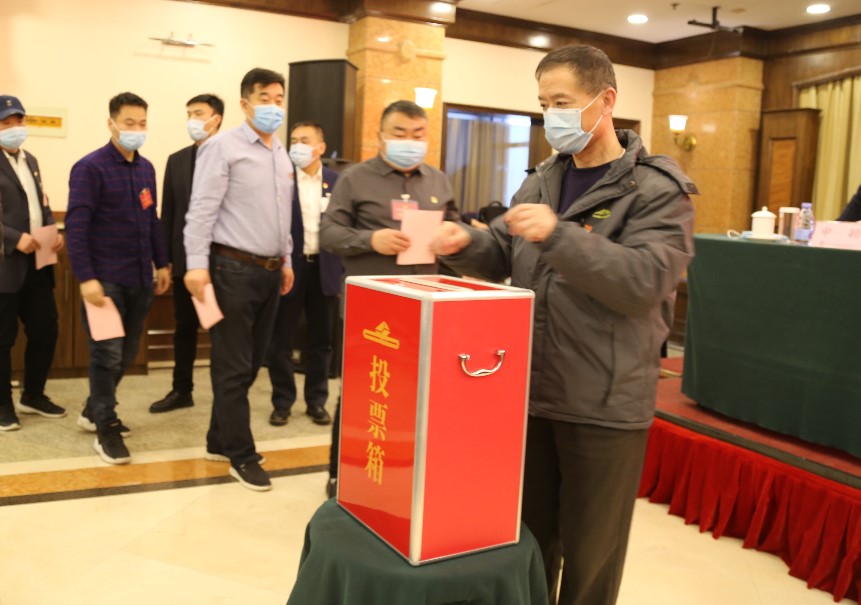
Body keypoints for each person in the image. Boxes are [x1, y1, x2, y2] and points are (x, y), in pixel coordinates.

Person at [430, 44, 696, 605]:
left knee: (590, 558)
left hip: (604, 402)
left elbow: (644, 281)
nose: (551, 115)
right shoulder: (543, 179)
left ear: (606, 100)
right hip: (532, 394)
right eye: (544, 103)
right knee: (529, 545)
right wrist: (464, 244)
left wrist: (557, 234)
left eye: (562, 102)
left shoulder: (655, 190)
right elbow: (504, 252)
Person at [319, 99, 455, 498]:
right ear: (381, 135)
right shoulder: (355, 179)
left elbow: (455, 227)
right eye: (400, 133)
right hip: (371, 312)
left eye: (418, 134)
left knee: (412, 395)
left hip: (424, 309)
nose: (409, 141)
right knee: (361, 393)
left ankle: (398, 470)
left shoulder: (438, 181)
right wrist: (370, 239)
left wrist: (456, 237)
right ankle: (341, 473)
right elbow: (328, 233)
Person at [184, 67, 294, 492]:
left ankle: (219, 439)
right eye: (265, 98)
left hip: (270, 271)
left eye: (279, 99)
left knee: (249, 365)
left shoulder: (280, 152)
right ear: (246, 104)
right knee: (232, 367)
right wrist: (196, 265)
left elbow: (281, 214)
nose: (273, 106)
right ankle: (240, 455)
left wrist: (286, 259)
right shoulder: (222, 146)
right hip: (231, 269)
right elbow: (201, 209)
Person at [66, 92, 171, 464]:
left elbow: (151, 220)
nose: (136, 129)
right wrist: (86, 277)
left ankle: (92, 410)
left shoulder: (146, 169)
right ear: (111, 123)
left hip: (140, 277)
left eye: (142, 123)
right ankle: (105, 427)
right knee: (107, 355)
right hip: (105, 281)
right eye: (129, 123)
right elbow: (77, 227)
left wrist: (162, 263)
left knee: (126, 354)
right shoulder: (89, 168)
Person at [150, 94, 224, 414]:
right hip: (185, 261)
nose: (193, 120)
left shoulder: (231, 155)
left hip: (223, 262)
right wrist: (164, 260)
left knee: (222, 331)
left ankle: (225, 394)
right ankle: (182, 390)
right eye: (190, 114)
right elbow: (168, 213)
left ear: (216, 119)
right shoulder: (177, 160)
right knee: (185, 329)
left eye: (199, 113)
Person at [267, 122, 341, 428]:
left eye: (304, 140)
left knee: (321, 341)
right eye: (293, 140)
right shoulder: (282, 178)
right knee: (281, 341)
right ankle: (282, 402)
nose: (297, 146)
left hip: (325, 269)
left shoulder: (337, 182)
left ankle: (316, 401)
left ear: (320, 147)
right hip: (290, 269)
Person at [0, 94, 66, 431]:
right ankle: (3, 405)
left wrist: (52, 232)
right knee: (3, 339)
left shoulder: (31, 160)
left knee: (45, 330)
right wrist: (14, 238)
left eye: (19, 120)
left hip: (39, 262)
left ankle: (33, 395)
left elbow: (40, 205)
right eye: (6, 122)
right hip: (6, 265)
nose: (15, 127)